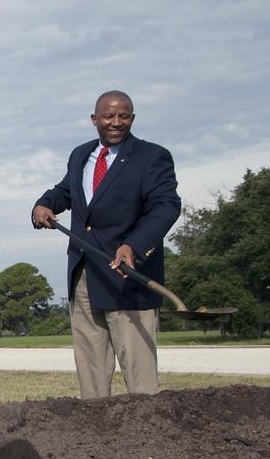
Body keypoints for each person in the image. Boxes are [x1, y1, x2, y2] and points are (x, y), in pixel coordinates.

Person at [32, 90, 180, 398]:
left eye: (123, 116)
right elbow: (67, 191)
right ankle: (97, 440)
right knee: (92, 379)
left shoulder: (152, 157)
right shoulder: (80, 155)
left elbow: (166, 206)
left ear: (132, 119)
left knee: (141, 386)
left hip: (127, 281)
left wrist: (134, 246)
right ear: (94, 119)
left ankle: (146, 441)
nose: (116, 122)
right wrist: (44, 204)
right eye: (109, 116)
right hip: (84, 277)